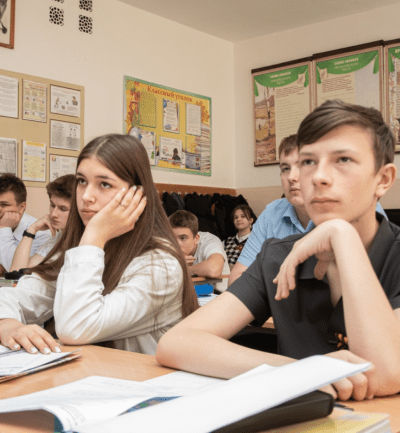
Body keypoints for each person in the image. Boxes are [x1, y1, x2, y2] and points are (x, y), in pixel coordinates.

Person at [157, 100, 400, 401]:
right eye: (308, 162)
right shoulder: (277, 255)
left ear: (383, 179)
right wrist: (304, 372)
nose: (318, 177)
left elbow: (386, 374)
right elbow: (175, 343)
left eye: (343, 159)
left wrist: (343, 236)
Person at [0, 134, 198, 355]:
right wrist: (7, 326)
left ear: (137, 194)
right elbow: (5, 301)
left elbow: (75, 328)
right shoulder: (79, 249)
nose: (85, 196)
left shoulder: (161, 265)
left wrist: (94, 237)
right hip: (92, 374)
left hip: (144, 378)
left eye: (104, 184)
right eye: (82, 181)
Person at [229, 134, 387, 285]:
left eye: (302, 165)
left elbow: (384, 281)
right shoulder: (272, 213)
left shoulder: (361, 208)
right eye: (285, 168)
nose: (291, 177)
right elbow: (237, 278)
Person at [10, 174, 76, 271]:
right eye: (52, 205)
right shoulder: (57, 239)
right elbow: (16, 271)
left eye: (63, 209)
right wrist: (32, 229)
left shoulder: (85, 242)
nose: (54, 214)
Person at [169, 210, 230, 278]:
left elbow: (213, 270)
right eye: (172, 238)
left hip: (217, 285)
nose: (177, 243)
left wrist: (180, 268)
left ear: (196, 238)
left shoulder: (209, 240)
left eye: (183, 238)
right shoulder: (167, 243)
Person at [223, 204, 257, 269]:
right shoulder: (226, 242)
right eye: (236, 217)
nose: (238, 219)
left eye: (243, 216)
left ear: (251, 220)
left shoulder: (257, 242)